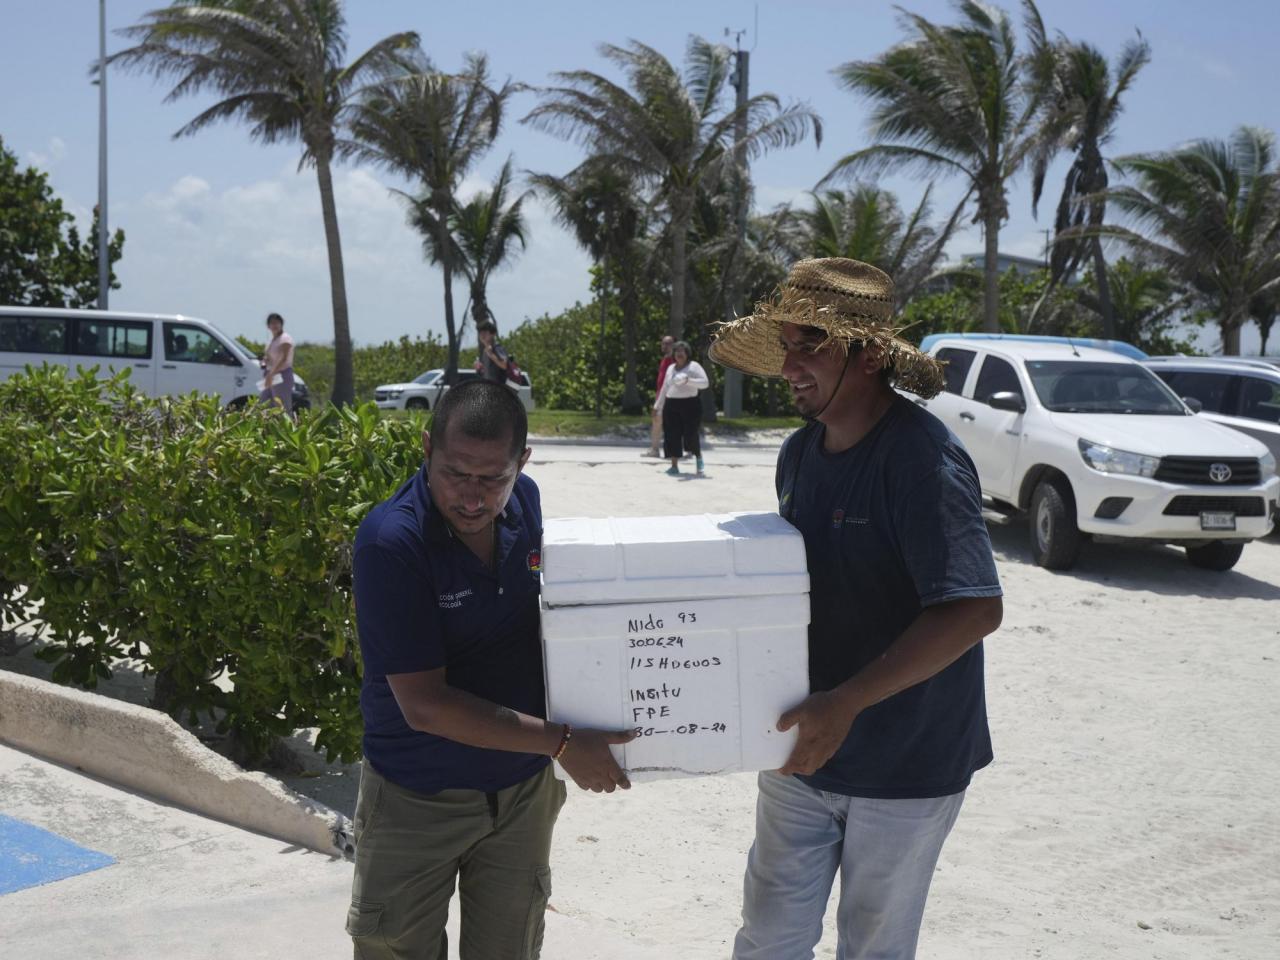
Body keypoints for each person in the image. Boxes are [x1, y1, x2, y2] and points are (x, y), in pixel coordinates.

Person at [708, 258, 1004, 959]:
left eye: (810, 345)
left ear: (869, 355)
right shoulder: (798, 455)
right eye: (784, 345)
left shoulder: (922, 461)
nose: (789, 366)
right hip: (802, 751)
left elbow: (973, 610)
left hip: (908, 762)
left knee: (874, 947)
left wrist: (845, 702)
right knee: (769, 937)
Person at [346, 380, 635, 959]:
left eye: (492, 479)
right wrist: (564, 743)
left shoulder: (524, 501)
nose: (473, 498)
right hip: (416, 797)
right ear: (427, 448)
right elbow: (424, 705)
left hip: (521, 796)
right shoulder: (391, 542)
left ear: (522, 463)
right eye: (455, 473)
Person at [655, 340, 709, 477]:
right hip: (671, 404)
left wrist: (688, 380)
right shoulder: (670, 368)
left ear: (687, 354)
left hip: (690, 405)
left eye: (682, 351)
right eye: (677, 351)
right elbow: (665, 388)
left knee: (691, 434)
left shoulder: (694, 366)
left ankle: (698, 458)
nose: (679, 354)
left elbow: (705, 383)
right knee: (672, 435)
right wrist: (657, 406)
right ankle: (674, 466)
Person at [642, 335, 676, 457]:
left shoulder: (674, 361)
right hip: (660, 397)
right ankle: (655, 450)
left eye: (668, 343)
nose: (665, 346)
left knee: (667, 424)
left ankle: (668, 451)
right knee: (657, 422)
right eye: (663, 343)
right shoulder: (665, 359)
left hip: (669, 398)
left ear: (674, 345)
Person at [260, 312, 295, 415]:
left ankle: (288, 429)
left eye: (277, 323)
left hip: (282, 375)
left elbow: (283, 358)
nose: (274, 325)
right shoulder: (272, 340)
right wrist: (265, 360)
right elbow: (271, 357)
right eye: (272, 323)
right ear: (268, 326)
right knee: (265, 403)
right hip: (271, 375)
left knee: (282, 407)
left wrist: (272, 374)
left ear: (281, 324)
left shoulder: (285, 339)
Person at [474, 320, 510, 385]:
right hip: (489, 388)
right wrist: (479, 368)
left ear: (493, 334)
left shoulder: (497, 348)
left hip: (500, 388)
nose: (482, 335)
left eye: (485, 332)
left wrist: (491, 355)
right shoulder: (485, 351)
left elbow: (504, 365)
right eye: (480, 333)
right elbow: (487, 373)